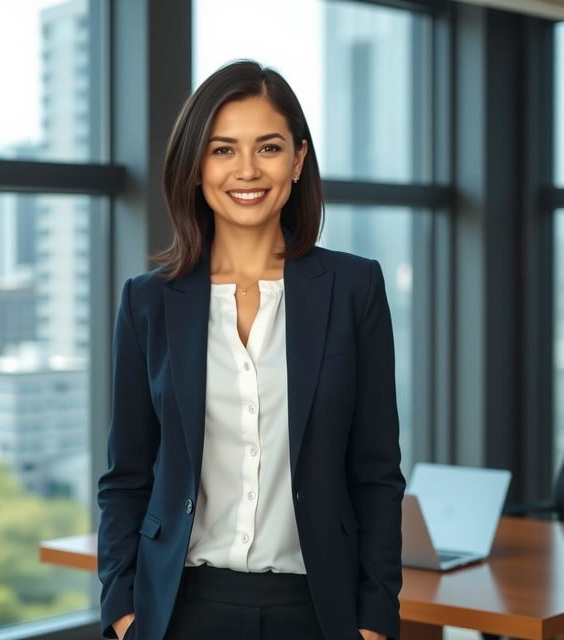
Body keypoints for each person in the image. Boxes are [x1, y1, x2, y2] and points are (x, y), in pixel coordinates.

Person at [97, 59, 405, 640]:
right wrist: (122, 612)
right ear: (195, 167)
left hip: (317, 609)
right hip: (181, 609)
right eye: (222, 150)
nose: (246, 170)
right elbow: (127, 475)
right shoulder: (147, 302)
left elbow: (376, 473)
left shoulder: (354, 288)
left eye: (267, 148)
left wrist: (375, 620)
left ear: (298, 160)